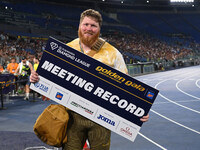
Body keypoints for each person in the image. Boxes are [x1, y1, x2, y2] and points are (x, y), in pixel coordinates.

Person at [30, 9, 149, 150]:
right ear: (79, 26)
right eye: (86, 24)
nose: (89, 29)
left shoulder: (113, 53)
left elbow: (127, 85)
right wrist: (36, 79)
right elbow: (52, 82)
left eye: (93, 26)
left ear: (99, 28)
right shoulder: (66, 49)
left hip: (101, 118)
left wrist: (139, 109)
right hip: (72, 116)